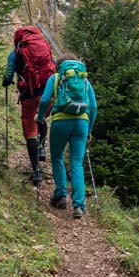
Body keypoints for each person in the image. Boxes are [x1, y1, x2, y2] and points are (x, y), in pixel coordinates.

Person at [39, 54, 97, 219]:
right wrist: (89, 129)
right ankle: (78, 205)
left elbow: (44, 100)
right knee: (76, 162)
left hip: (60, 123)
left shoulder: (56, 77)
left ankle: (61, 195)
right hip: (81, 124)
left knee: (57, 158)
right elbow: (93, 107)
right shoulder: (85, 80)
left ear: (59, 66)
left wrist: (41, 116)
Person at [2, 26, 56, 184]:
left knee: (31, 130)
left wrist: (6, 82)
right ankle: (41, 148)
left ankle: (37, 172)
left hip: (29, 96)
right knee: (42, 119)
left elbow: (8, 75)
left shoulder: (16, 54)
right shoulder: (45, 48)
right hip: (48, 93)